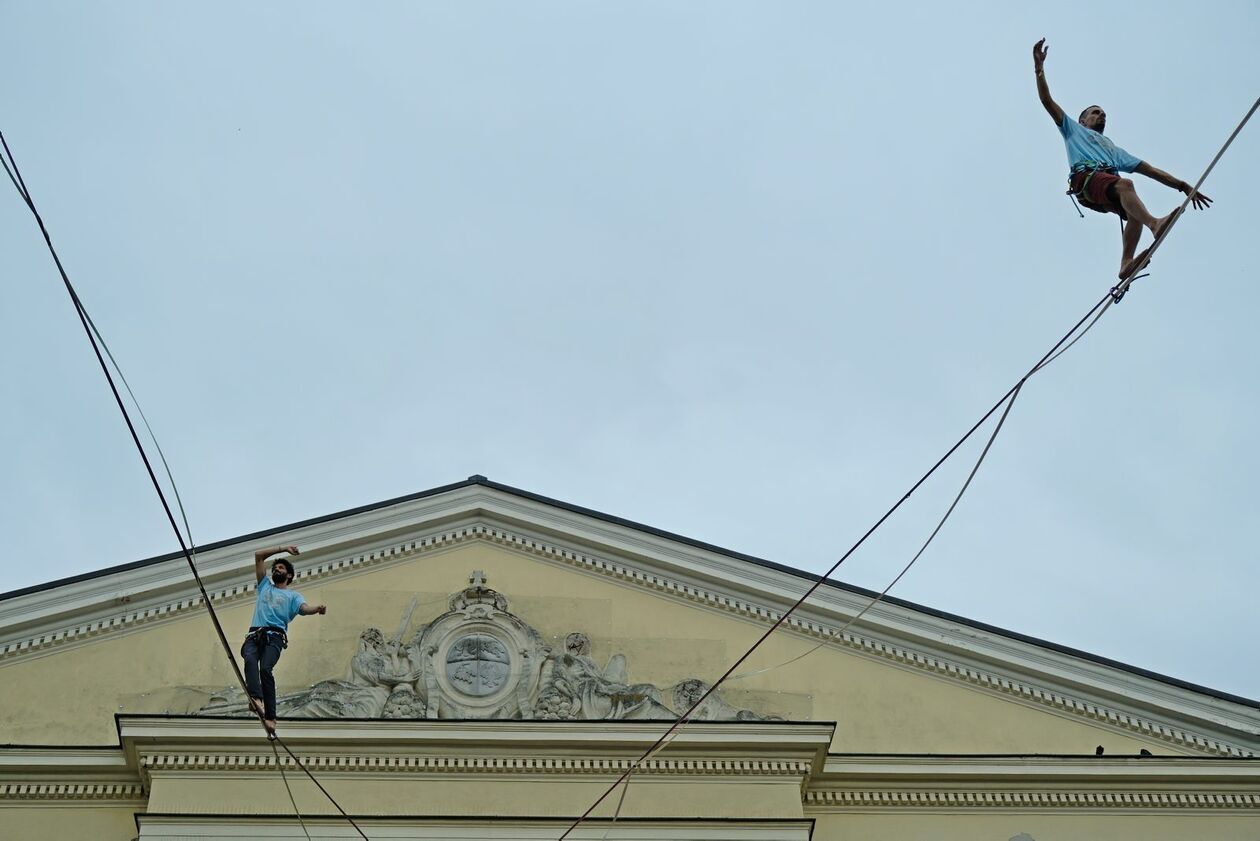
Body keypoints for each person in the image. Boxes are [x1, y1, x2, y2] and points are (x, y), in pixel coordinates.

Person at [1033, 39, 1211, 280]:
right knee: (1126, 186)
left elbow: (1150, 170)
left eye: (1103, 113)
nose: (1101, 115)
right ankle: (1154, 225)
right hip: (1085, 179)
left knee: (1131, 207)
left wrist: (1182, 186)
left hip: (1101, 187)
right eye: (1095, 112)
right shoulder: (1073, 129)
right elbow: (1047, 101)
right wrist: (1039, 68)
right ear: (1083, 120)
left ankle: (1126, 263)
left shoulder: (1114, 150)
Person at [243, 545, 326, 733]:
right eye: (275, 568)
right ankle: (256, 698)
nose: (276, 570)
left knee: (265, 669)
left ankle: (271, 717)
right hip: (255, 634)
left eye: (280, 568)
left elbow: (303, 609)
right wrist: (283, 549)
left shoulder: (293, 596)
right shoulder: (264, 586)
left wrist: (316, 609)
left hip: (275, 637)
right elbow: (258, 556)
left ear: (289, 575)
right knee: (249, 659)